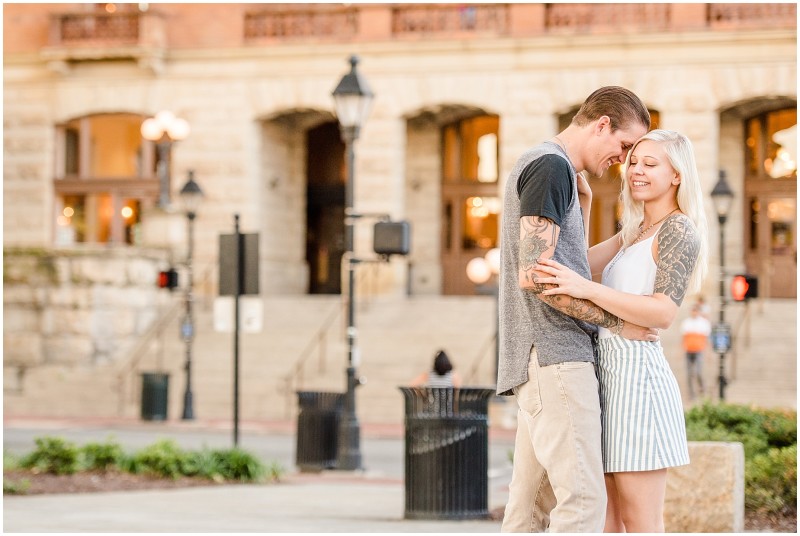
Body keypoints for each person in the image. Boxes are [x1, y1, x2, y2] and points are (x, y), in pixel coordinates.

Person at [497, 86, 657, 533]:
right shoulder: (551, 166)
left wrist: (603, 220)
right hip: (557, 356)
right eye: (624, 146)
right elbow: (536, 274)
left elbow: (562, 263)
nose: (623, 160)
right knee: (584, 500)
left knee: (529, 509)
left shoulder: (553, 167)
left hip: (538, 359)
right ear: (602, 124)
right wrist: (620, 323)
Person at [534, 129, 709, 532]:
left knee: (640, 522)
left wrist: (588, 290)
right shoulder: (634, 230)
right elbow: (578, 264)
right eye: (633, 162)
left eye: (651, 164)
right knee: (607, 520)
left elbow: (663, 312)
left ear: (677, 175)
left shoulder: (678, 229)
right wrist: (585, 204)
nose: (636, 171)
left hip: (639, 382)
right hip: (606, 377)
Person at [680, 301, 711, 400]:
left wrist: (708, 353)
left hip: (699, 350)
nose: (694, 313)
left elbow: (707, 339)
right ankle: (691, 394)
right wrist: (680, 351)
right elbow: (683, 338)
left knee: (698, 372)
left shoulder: (703, 323)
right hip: (689, 350)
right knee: (689, 374)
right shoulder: (686, 323)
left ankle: (702, 389)